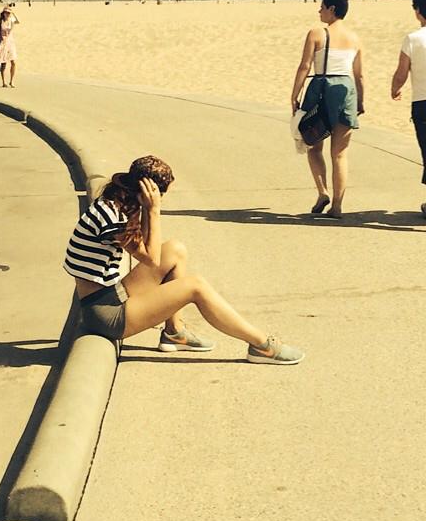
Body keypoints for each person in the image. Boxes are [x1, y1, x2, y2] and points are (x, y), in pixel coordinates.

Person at [63, 155, 305, 364]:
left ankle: (174, 332)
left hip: (109, 296)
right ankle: (261, 345)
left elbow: (150, 250)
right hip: (105, 315)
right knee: (195, 286)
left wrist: (146, 209)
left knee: (175, 249)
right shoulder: (113, 218)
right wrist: (153, 210)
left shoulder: (116, 201)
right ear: (149, 192)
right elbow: (152, 259)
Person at [290, 0, 364, 219]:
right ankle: (337, 206)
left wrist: (294, 94)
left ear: (332, 9)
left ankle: (323, 192)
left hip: (321, 90)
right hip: (346, 91)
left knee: (313, 145)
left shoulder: (317, 33)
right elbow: (359, 75)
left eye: (322, 7)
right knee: (340, 153)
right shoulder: (355, 38)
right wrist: (361, 100)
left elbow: (304, 66)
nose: (319, 10)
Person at [391, 0, 426, 218]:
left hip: (422, 103)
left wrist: (395, 88)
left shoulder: (413, 39)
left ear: (418, 11)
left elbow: (401, 73)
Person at [0, 5, 19, 87]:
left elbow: (18, 21)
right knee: (4, 63)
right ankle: (4, 81)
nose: (7, 14)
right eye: (6, 12)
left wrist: (13, 13)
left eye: (8, 13)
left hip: (10, 41)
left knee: (13, 61)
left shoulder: (11, 20)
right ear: (3, 13)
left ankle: (11, 81)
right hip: (2, 42)